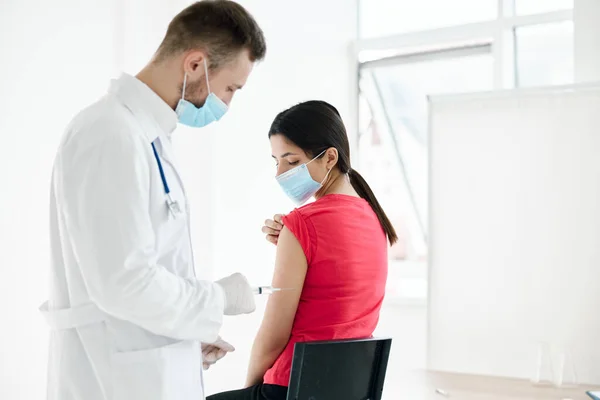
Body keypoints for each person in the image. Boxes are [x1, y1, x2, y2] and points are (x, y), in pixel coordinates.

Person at [39, 2, 266, 400]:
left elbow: (141, 273)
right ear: (195, 65)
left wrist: (184, 336)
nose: (228, 104)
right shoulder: (110, 133)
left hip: (139, 371)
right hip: (110, 380)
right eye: (231, 88)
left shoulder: (146, 135)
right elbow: (123, 283)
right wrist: (218, 298)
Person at [207, 100, 398, 400]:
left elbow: (272, 338)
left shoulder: (302, 224)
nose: (280, 172)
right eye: (276, 161)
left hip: (291, 389)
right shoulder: (375, 220)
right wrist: (292, 242)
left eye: (292, 161)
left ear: (330, 158)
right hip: (346, 390)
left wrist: (249, 391)